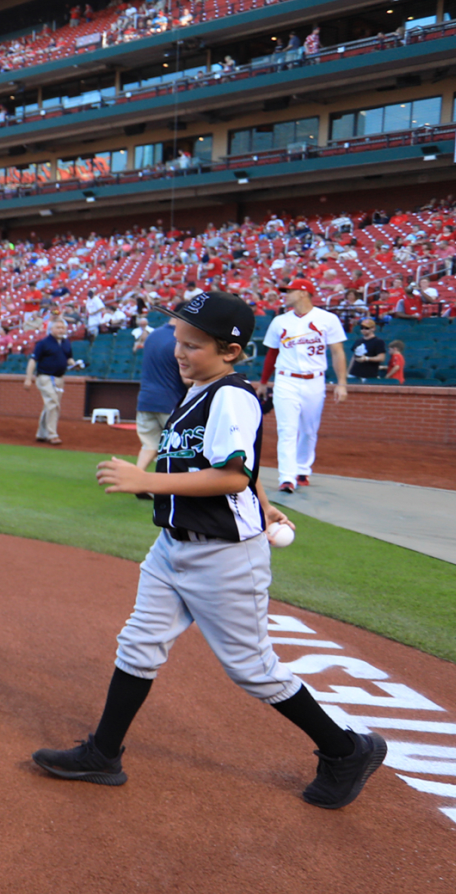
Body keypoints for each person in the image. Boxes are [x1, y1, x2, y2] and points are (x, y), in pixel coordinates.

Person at [31, 291, 387, 808]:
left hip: (223, 555)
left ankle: (345, 749)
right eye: (178, 340)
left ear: (231, 352)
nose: (180, 352)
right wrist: (264, 506)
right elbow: (245, 473)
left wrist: (144, 479)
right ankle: (103, 753)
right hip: (172, 547)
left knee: (252, 667)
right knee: (138, 643)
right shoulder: (198, 391)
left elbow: (232, 475)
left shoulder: (231, 396)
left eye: (193, 345)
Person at [257, 281, 348, 491]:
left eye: (290, 291)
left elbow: (337, 352)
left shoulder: (327, 319)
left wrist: (342, 383)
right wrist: (263, 382)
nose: (285, 295)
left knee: (309, 429)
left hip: (315, 380)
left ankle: (302, 469)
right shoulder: (280, 321)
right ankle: (286, 477)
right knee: (287, 429)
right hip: (286, 380)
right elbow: (272, 354)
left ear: (303, 293)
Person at [135, 318, 184, 470]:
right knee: (179, 447)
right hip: (170, 401)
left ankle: (137, 477)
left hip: (145, 399)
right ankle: (172, 484)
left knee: (149, 444)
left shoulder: (153, 335)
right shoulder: (180, 339)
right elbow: (187, 378)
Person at [25, 319, 72, 445]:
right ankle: (52, 434)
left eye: (63, 327)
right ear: (51, 329)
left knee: (50, 406)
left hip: (59, 378)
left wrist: (74, 364)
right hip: (45, 377)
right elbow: (33, 360)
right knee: (53, 404)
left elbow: (69, 358)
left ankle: (41, 433)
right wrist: (28, 379)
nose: (61, 330)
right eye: (58, 327)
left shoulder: (66, 342)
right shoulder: (43, 343)